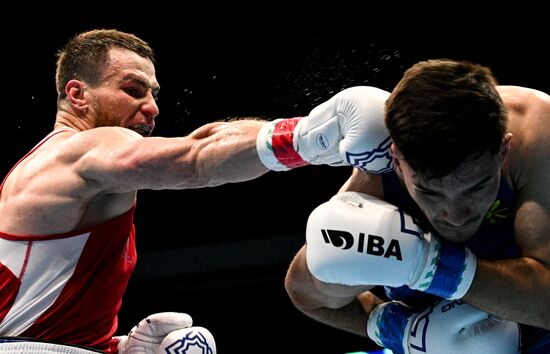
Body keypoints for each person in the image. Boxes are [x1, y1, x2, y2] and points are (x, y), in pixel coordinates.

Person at [0, 28, 385, 353]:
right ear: (78, 95)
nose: (151, 107)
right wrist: (308, 138)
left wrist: (114, 347)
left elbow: (26, 309)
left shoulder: (45, 168)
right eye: (133, 90)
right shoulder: (78, 151)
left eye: (153, 94)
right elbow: (194, 160)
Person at [284, 59, 550, 353]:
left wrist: (434, 266)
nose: (455, 215)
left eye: (476, 187)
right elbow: (305, 292)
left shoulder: (538, 137)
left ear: (503, 149)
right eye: (430, 192)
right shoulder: (377, 182)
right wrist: (399, 333)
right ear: (398, 163)